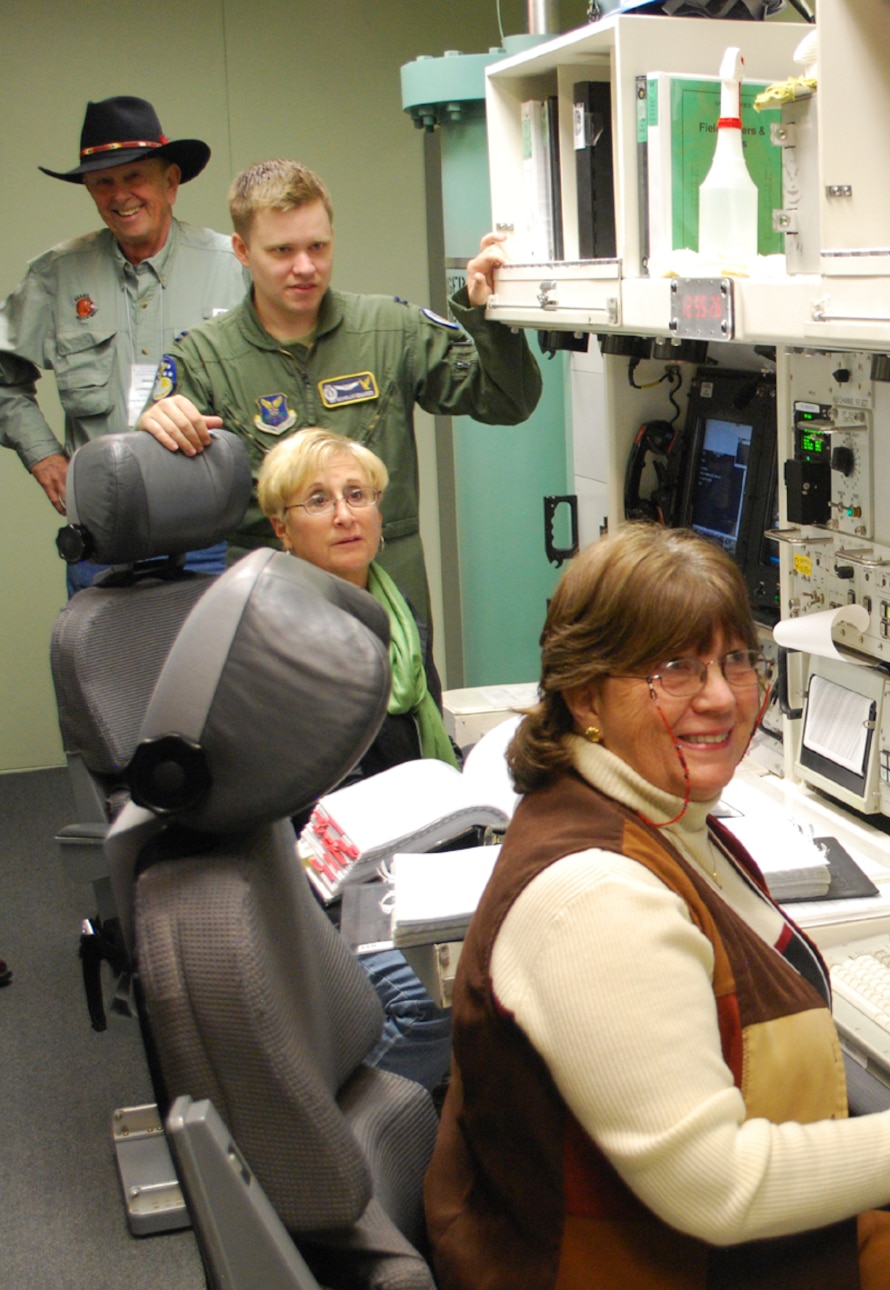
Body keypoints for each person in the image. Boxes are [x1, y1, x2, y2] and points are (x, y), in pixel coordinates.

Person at [427, 526, 890, 1290]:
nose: (723, 696)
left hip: (643, 1251)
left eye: (737, 659)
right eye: (675, 669)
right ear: (587, 697)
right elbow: (717, 1185)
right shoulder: (595, 894)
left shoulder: (649, 814)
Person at [138, 158, 541, 626]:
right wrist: (153, 431)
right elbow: (155, 502)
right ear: (242, 251)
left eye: (318, 246)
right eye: (282, 251)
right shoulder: (203, 358)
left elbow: (510, 401)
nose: (305, 267)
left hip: (390, 602)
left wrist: (487, 315)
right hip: (270, 608)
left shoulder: (392, 329)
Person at [258, 425, 456, 1093]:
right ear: (282, 529)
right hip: (335, 880)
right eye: (317, 500)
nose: (345, 515)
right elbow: (305, 811)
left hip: (413, 858)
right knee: (435, 1011)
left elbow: (422, 751)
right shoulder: (281, 640)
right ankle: (331, 1142)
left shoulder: (399, 621)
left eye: (358, 495)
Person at [0, 96, 243, 594]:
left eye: (135, 177)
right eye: (103, 182)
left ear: (170, 181)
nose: (120, 195)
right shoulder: (57, 275)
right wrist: (43, 456)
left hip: (217, 535)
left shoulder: (234, 266)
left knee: (217, 670)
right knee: (112, 670)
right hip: (104, 536)